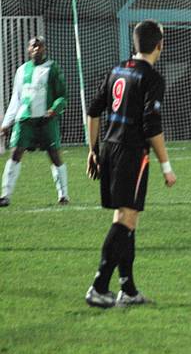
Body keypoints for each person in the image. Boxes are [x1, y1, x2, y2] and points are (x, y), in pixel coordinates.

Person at [84, 20, 176, 308]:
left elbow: (93, 110)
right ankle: (99, 286)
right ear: (159, 45)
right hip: (131, 153)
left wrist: (93, 150)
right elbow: (152, 126)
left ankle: (128, 289)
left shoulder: (117, 69)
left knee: (125, 218)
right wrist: (166, 166)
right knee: (127, 219)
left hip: (110, 148)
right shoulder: (152, 78)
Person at [0, 36, 69, 207]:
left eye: (40, 46)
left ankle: (63, 195)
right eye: (33, 46)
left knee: (54, 156)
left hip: (47, 120)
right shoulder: (22, 71)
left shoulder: (52, 68)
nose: (37, 49)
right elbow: (16, 98)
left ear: (45, 49)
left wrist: (54, 109)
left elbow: (62, 96)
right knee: (15, 154)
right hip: (25, 120)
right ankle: (5, 195)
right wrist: (6, 123)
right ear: (28, 49)